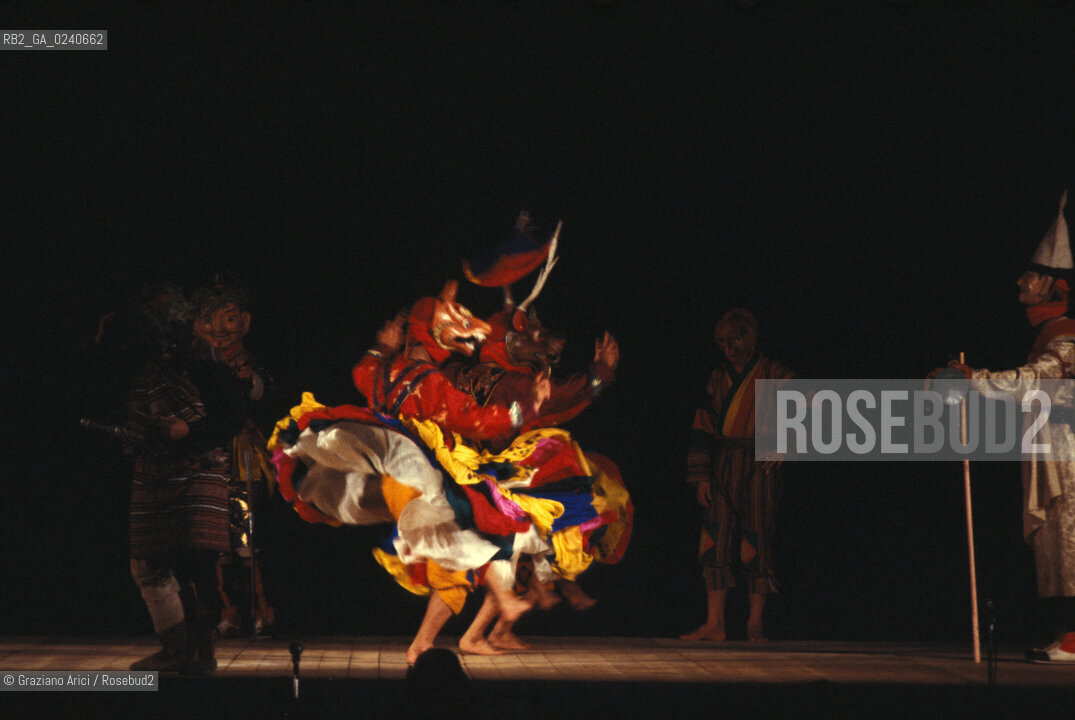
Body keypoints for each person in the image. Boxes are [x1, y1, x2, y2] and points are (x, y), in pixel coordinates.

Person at [947, 190, 1075, 663]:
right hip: (1052, 448)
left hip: (1069, 453)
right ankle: (1065, 633)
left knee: (1069, 542)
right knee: (1055, 546)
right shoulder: (1050, 335)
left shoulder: (1067, 338)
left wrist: (976, 379)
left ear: (1054, 288)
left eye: (1032, 277)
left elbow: (1036, 379)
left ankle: (1074, 637)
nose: (1022, 283)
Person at [126, 285, 252, 674]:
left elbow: (231, 417)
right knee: (150, 564)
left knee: (196, 567)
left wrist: (189, 433)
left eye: (169, 316)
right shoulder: (149, 361)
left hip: (196, 471)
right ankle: (176, 648)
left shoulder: (207, 362)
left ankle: (202, 650)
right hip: (155, 473)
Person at [681, 308, 794, 643]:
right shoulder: (718, 378)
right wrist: (702, 476)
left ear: (751, 338)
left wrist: (785, 442)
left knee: (756, 538)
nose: (728, 349)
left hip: (760, 465)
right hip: (723, 463)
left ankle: (754, 623)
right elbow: (702, 426)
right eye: (722, 342)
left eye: (735, 341)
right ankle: (714, 623)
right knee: (713, 539)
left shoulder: (774, 374)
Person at [189, 279, 276, 637]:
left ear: (245, 321)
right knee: (209, 540)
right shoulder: (192, 365)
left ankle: (259, 608)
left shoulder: (246, 366)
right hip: (201, 458)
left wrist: (245, 381)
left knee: (244, 538)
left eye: (227, 318)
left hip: (238, 459)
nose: (218, 329)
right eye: (208, 319)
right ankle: (224, 611)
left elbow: (260, 392)